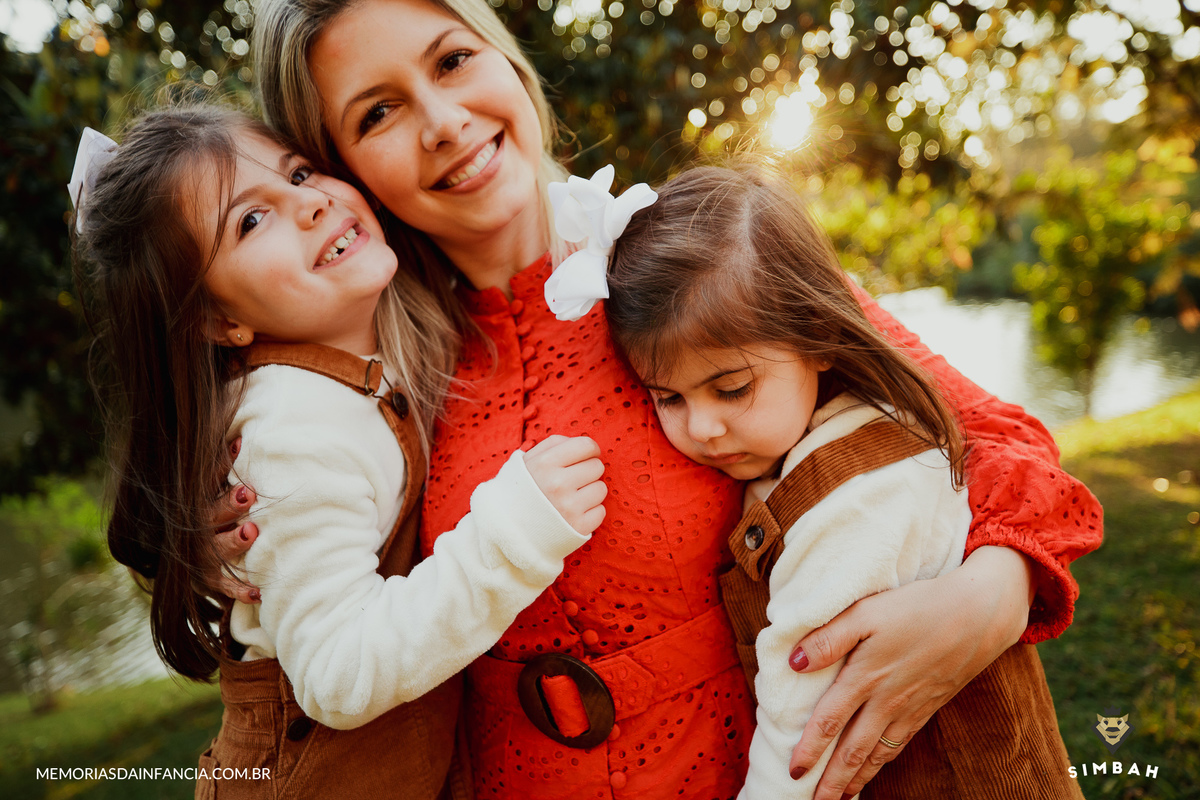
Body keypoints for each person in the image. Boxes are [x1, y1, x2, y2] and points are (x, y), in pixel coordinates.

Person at [243, 1, 1104, 797]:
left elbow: (997, 435)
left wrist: (987, 599)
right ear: (339, 168)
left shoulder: (693, 269)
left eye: (454, 60)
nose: (442, 122)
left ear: (506, 59)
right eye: (377, 113)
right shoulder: (370, 380)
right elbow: (312, 578)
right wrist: (232, 542)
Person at [71, 103, 606, 798]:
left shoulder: (365, 358)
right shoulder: (292, 428)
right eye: (250, 220)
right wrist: (511, 537)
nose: (311, 203)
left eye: (298, 172)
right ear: (218, 319)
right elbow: (338, 675)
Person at [597, 162, 1082, 798]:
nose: (703, 428)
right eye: (668, 398)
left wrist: (997, 585)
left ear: (818, 337)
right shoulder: (819, 436)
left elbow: (795, 734)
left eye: (731, 388)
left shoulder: (854, 499)